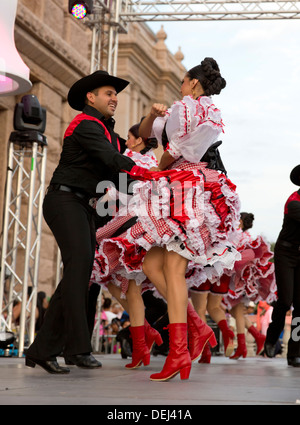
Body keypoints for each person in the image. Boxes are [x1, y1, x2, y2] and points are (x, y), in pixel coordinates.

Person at [119, 57, 241, 381]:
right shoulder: (185, 110)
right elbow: (146, 134)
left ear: (194, 83)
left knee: (172, 268)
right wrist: (151, 115)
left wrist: (162, 162)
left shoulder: (196, 109)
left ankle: (180, 352)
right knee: (150, 265)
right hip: (176, 188)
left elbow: (177, 151)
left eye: (184, 81)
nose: (181, 86)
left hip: (186, 187)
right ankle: (197, 329)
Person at [25, 70, 148, 374]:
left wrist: (152, 183)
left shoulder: (105, 130)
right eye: (109, 93)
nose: (115, 98)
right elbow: (113, 160)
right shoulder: (85, 125)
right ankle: (75, 348)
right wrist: (149, 176)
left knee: (78, 275)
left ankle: (47, 350)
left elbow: (133, 149)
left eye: (115, 94)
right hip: (64, 200)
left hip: (83, 206)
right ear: (90, 98)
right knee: (79, 268)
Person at [222, 212, 276, 359]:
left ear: (241, 222)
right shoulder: (243, 236)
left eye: (237, 219)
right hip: (238, 280)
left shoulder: (240, 236)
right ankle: (254, 338)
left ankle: (243, 346)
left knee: (233, 311)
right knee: (234, 312)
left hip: (238, 280)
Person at [264, 165, 300, 367]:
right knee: (285, 301)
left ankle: (294, 352)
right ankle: (271, 336)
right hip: (285, 253)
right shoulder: (294, 202)